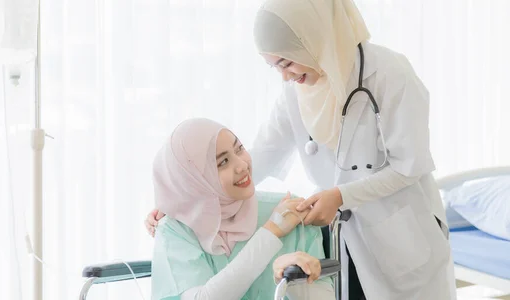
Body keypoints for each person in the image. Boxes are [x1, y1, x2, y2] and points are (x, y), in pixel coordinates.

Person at [147, 0, 456, 299]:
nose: (285, 75)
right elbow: (258, 156)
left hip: (403, 236)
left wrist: (340, 195)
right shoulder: (296, 91)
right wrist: (187, 200)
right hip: (346, 243)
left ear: (313, 39)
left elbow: (408, 167)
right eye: (274, 66)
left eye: (287, 61)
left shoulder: (390, 74)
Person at [150, 118, 334, 300]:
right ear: (195, 181)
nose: (242, 165)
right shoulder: (175, 230)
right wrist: (271, 233)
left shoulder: (291, 211)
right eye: (222, 162)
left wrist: (291, 279)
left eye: (239, 148)